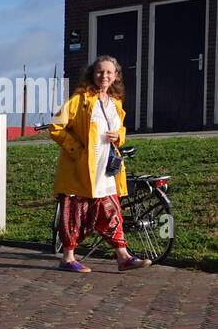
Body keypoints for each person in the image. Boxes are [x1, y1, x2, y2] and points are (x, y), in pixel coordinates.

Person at [49, 56, 151, 273]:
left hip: (106, 169)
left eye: (108, 72)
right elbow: (56, 127)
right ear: (92, 74)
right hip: (80, 171)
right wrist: (76, 150)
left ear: (115, 76)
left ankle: (123, 256)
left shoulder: (115, 101)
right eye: (99, 72)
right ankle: (68, 258)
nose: (103, 76)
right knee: (75, 213)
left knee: (111, 211)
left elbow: (121, 129)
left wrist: (119, 137)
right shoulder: (80, 99)